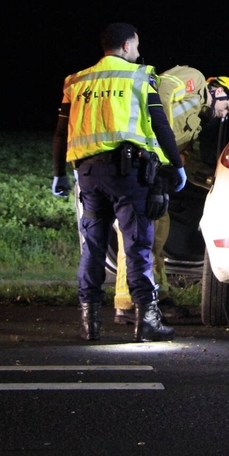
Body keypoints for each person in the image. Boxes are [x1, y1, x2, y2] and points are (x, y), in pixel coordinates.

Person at [51, 22, 187, 342]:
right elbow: (160, 124)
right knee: (138, 246)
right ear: (126, 46)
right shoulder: (140, 77)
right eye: (136, 46)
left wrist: (59, 172)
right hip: (129, 176)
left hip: (88, 177)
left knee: (94, 248)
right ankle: (147, 321)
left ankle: (90, 323)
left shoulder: (77, 81)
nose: (139, 52)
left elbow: (60, 132)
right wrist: (177, 166)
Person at [112, 71, 229, 325]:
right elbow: (161, 89)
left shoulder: (195, 125)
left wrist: (219, 181)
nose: (224, 114)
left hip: (155, 173)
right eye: (228, 106)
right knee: (137, 235)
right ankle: (127, 303)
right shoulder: (193, 79)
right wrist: (156, 128)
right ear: (218, 91)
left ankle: (157, 297)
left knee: (156, 237)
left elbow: (186, 162)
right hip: (139, 161)